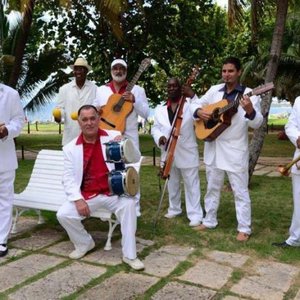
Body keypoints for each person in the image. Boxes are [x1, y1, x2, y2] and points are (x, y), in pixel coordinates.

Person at [56, 104, 144, 270]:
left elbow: (136, 158)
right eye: (85, 119)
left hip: (114, 193)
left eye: (92, 118)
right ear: (79, 123)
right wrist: (77, 199)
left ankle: (130, 255)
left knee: (129, 205)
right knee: (63, 214)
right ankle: (84, 244)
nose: (89, 123)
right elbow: (68, 178)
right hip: (88, 195)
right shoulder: (70, 148)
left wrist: (126, 144)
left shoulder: (113, 136)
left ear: (98, 119)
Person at [191, 57, 263, 241]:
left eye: (230, 71)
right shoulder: (215, 90)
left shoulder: (250, 94)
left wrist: (249, 110)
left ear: (239, 72)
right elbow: (195, 103)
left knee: (240, 190)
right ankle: (209, 220)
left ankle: (244, 227)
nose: (226, 75)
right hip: (213, 146)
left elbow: (257, 123)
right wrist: (199, 112)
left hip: (235, 149)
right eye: (224, 71)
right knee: (212, 187)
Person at [93, 59, 149, 216]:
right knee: (109, 171)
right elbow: (95, 109)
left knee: (133, 170)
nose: (118, 71)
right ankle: (112, 204)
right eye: (115, 68)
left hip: (129, 136)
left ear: (126, 71)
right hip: (108, 136)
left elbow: (145, 113)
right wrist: (96, 110)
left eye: (121, 68)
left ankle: (134, 207)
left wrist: (135, 101)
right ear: (111, 71)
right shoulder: (101, 90)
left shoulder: (137, 90)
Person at [151, 78, 203, 227]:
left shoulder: (189, 106)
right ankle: (174, 209)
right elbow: (155, 128)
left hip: (186, 150)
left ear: (180, 88)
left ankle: (195, 214)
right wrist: (159, 137)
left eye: (175, 86)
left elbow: (199, 110)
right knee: (172, 183)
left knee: (191, 184)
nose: (172, 88)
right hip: (168, 151)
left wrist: (192, 95)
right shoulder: (160, 109)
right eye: (169, 86)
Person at [0, 83, 25, 257]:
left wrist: (6, 130)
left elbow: (19, 120)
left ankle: (1, 239)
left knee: (4, 200)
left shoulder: (11, 93)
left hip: (4, 158)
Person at [272, 97, 300, 248]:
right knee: (299, 201)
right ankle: (295, 238)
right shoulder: (299, 101)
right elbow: (290, 126)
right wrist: (297, 139)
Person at [54, 57, 100, 146]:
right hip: (70, 135)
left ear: (86, 71)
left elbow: (97, 109)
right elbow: (60, 109)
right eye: (76, 69)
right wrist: (58, 117)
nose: (78, 71)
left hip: (90, 136)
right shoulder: (64, 89)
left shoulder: (95, 89)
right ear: (73, 71)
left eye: (81, 69)